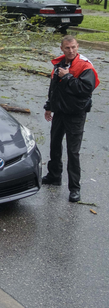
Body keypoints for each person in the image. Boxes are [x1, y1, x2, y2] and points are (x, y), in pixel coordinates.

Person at [43, 36, 100, 202]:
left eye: (73, 47)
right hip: (60, 112)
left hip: (76, 114)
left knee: (72, 152)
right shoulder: (59, 64)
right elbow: (54, 88)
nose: (71, 51)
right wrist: (49, 107)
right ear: (62, 48)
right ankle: (54, 176)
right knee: (54, 144)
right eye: (67, 48)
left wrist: (68, 77)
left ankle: (75, 188)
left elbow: (85, 89)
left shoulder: (84, 66)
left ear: (78, 46)